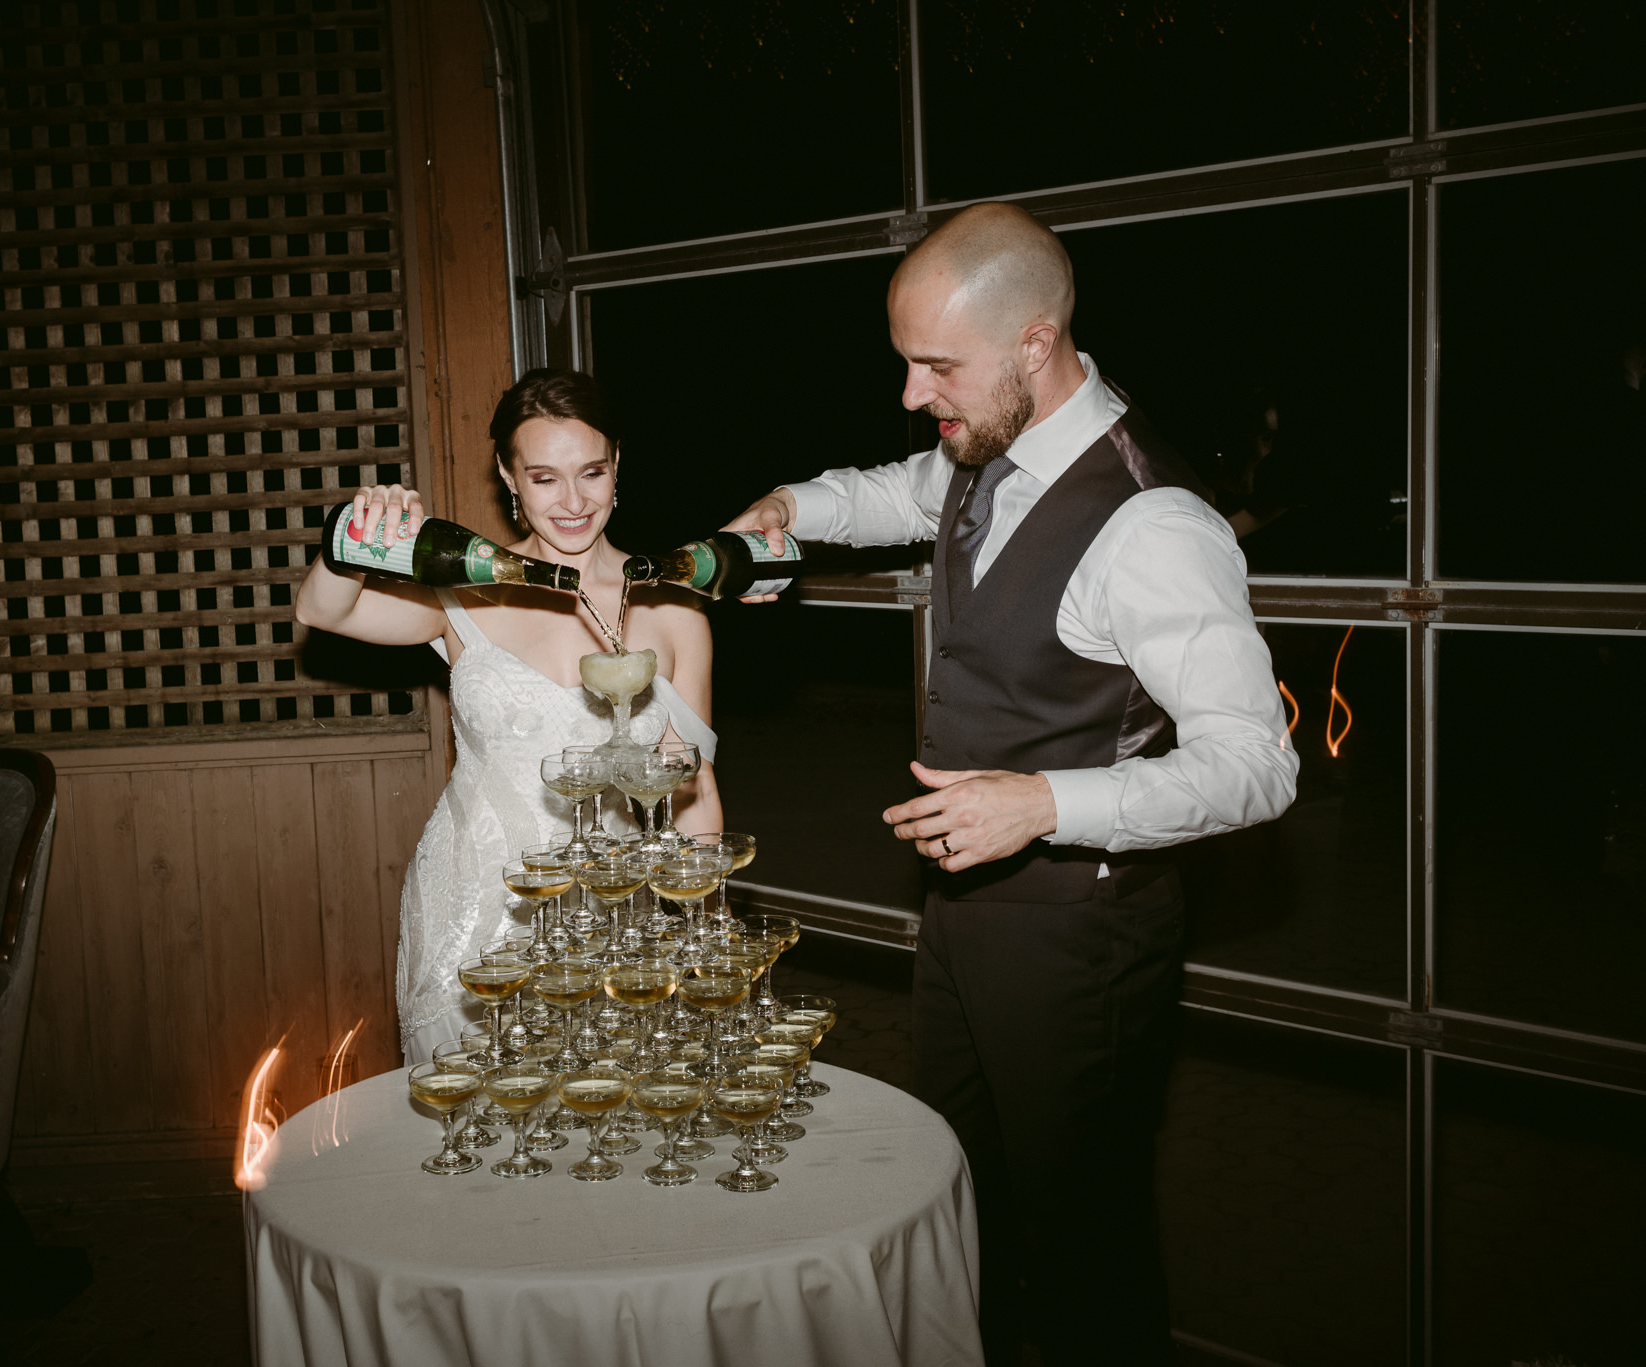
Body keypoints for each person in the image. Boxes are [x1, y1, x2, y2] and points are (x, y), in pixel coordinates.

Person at [723, 203, 1297, 1366]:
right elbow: (882, 493)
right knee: (959, 1200)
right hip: (965, 920)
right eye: (903, 362)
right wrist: (788, 509)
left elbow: (1256, 764)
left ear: (1033, 343)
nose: (910, 393)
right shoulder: (978, 448)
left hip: (1083, 937)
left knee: (1081, 1244)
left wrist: (1043, 804)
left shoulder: (1151, 522)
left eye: (934, 365)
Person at [297, 369, 720, 1064]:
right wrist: (356, 539)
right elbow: (321, 610)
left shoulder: (672, 607)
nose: (575, 501)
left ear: (618, 465)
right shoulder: (466, 591)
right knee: (474, 1129)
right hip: (471, 908)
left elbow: (693, 792)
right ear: (509, 476)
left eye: (592, 472)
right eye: (546, 477)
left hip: (611, 916)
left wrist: (708, 937)